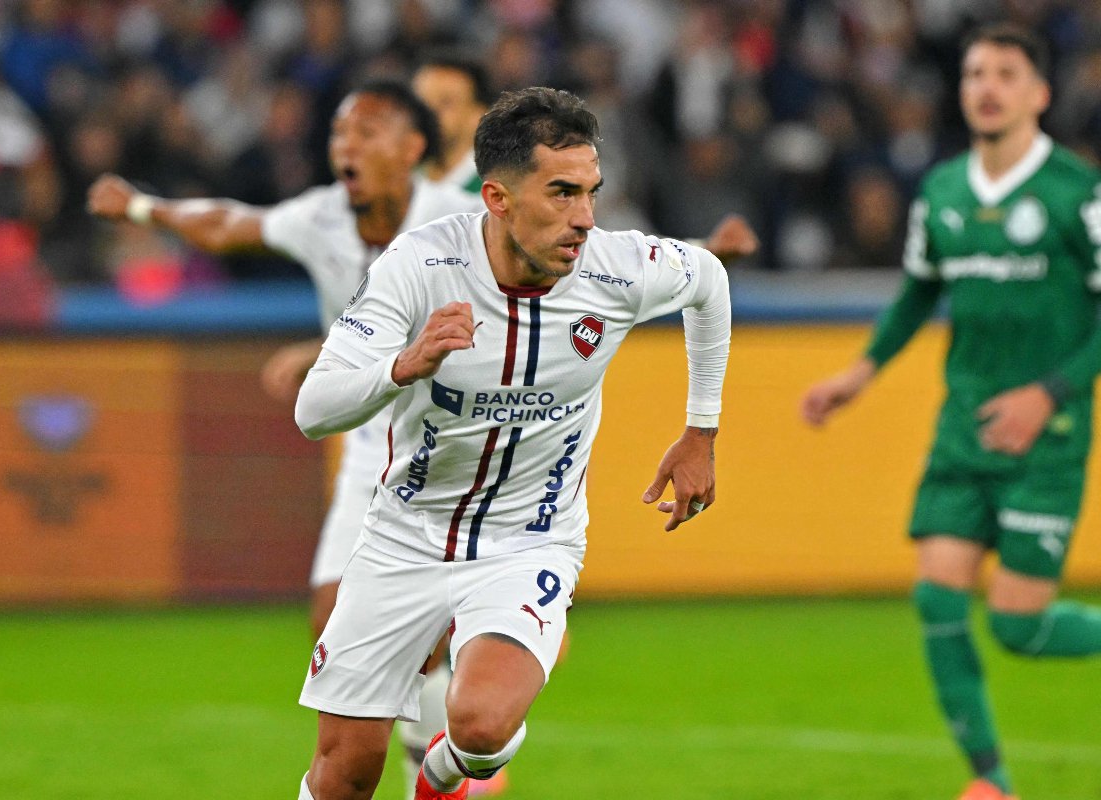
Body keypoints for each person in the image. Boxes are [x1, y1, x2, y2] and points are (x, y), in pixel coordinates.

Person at [292, 86, 731, 800]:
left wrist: (700, 430)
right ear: (496, 198)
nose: (584, 219)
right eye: (561, 194)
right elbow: (314, 408)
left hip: (530, 539)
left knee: (482, 725)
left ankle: (439, 779)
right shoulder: (420, 267)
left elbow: (708, 280)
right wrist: (401, 366)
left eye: (591, 192)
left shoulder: (617, 268)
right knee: (345, 772)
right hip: (405, 536)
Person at [86, 79, 484, 796]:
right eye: (339, 134)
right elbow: (228, 223)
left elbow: (563, 256)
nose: (346, 146)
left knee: (447, 637)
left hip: (458, 446)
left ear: (413, 147)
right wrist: (143, 207)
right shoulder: (321, 217)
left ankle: (430, 724)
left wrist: (692, 264)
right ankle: (420, 733)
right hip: (371, 445)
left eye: (367, 131)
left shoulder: (461, 221)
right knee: (332, 622)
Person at [800, 23, 1101, 800]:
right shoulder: (940, 192)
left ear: (1038, 93)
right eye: (974, 74)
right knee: (936, 596)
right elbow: (919, 291)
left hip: (1049, 436)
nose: (987, 87)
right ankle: (990, 781)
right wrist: (859, 372)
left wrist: (1049, 394)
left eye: (1005, 73)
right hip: (965, 426)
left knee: (1019, 627)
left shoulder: (1077, 192)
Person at [412, 52, 490, 193]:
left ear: (478, 116)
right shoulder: (400, 181)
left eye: (445, 102)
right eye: (422, 102)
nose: (430, 112)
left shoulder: (493, 194)